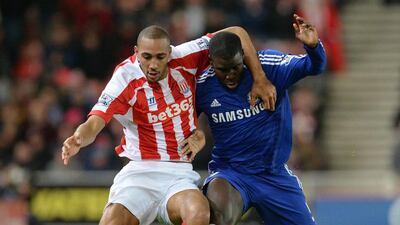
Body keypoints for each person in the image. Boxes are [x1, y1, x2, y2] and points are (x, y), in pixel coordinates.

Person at [61, 25, 277, 225]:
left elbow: (237, 32)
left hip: (178, 172)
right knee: (112, 220)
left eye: (160, 57)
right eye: (146, 57)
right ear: (136, 52)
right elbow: (95, 122)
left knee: (199, 212)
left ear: (170, 52)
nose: (153, 64)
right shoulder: (124, 78)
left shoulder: (186, 56)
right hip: (139, 172)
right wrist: (79, 139)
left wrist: (259, 77)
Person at [194, 14, 327, 225]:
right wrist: (195, 134)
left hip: (274, 175)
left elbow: (314, 67)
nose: (230, 75)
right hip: (230, 174)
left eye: (235, 67)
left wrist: (313, 47)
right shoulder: (202, 86)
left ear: (244, 57)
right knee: (220, 218)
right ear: (211, 63)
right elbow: (185, 119)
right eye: (223, 69)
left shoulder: (269, 67)